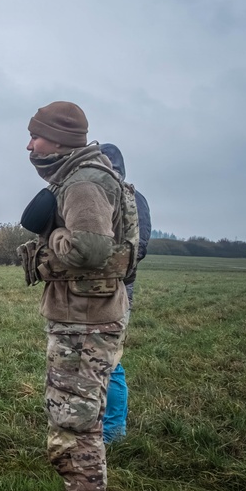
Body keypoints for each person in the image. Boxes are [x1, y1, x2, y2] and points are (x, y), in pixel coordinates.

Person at [17, 102, 139, 491]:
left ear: (60, 139)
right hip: (83, 314)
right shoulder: (80, 175)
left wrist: (49, 234)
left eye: (36, 136)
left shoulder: (84, 181)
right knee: (80, 415)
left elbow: (89, 249)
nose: (29, 145)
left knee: (74, 422)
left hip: (86, 321)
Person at [98, 143, 152, 444]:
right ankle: (94, 423)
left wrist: (107, 269)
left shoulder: (132, 196)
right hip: (90, 291)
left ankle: (113, 431)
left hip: (118, 287)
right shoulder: (95, 193)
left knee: (111, 359)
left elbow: (138, 247)